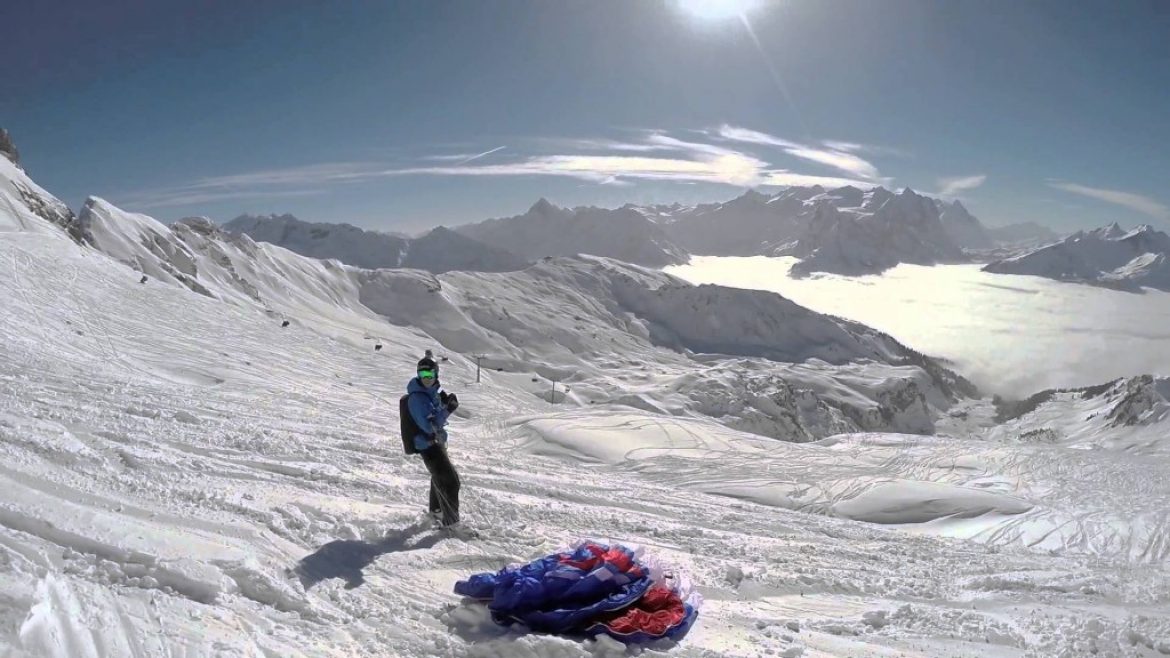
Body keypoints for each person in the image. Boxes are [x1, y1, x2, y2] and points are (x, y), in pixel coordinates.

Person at [406, 355, 463, 530]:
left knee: (439, 478)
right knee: (451, 481)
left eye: (429, 374)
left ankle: (436, 512)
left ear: (436, 374)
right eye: (422, 373)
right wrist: (448, 410)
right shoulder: (417, 398)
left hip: (434, 443)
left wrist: (443, 404)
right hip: (428, 445)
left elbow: (434, 414)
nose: (426, 378)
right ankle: (451, 524)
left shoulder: (429, 394)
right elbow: (429, 426)